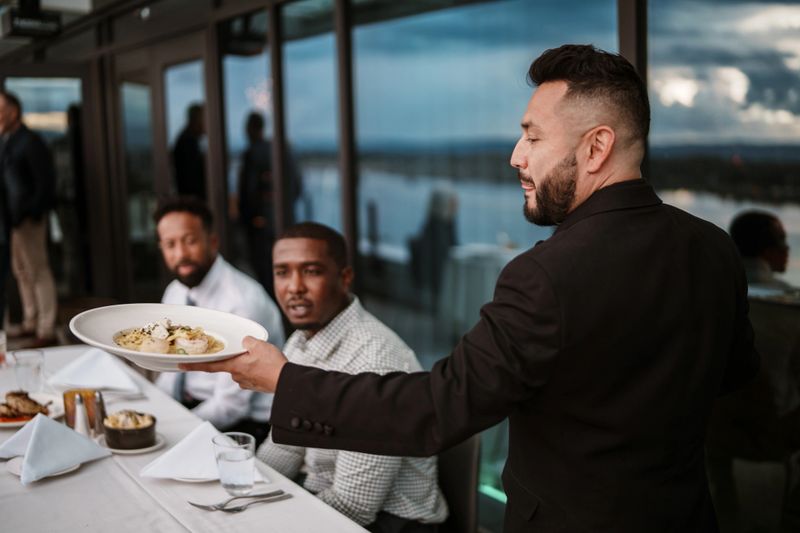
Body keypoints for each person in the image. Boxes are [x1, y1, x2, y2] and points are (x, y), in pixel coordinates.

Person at [184, 45, 758, 532]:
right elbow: (731, 381)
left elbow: (434, 410)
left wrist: (283, 380)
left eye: (532, 136)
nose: (517, 157)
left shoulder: (545, 276)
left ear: (596, 148)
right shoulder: (715, 248)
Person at [255, 222, 447, 531]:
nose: (294, 287)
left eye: (311, 271)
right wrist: (247, 487)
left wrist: (264, 521)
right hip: (320, 495)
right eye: (282, 272)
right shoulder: (300, 342)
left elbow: (354, 506)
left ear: (344, 278)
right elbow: (286, 446)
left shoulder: (376, 360)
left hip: (392, 522)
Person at [153, 197, 284, 444]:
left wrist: (171, 432)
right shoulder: (175, 291)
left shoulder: (242, 303)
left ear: (212, 241)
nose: (180, 254)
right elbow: (170, 373)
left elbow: (232, 405)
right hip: (191, 408)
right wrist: (154, 414)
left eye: (190, 241)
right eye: (170, 244)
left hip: (244, 427)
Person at [0, 90, 58, 347]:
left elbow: (45, 183)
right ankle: (30, 322)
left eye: (1, 107)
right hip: (11, 221)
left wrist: (31, 213)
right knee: (21, 272)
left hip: (29, 221)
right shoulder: (7, 140)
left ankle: (46, 328)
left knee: (38, 271)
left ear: (14, 110)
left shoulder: (31, 141)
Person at [237, 111, 303, 297]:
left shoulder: (253, 153)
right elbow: (297, 188)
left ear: (250, 129)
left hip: (259, 226)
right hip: (285, 223)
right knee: (284, 269)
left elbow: (248, 192)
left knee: (265, 273)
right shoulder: (284, 150)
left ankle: (273, 311)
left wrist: (247, 219)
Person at [729, 210, 795, 291]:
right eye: (782, 239)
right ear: (768, 250)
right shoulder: (785, 293)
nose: (787, 248)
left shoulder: (720, 283)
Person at [171, 103, 206, 200]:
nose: (207, 124)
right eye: (204, 119)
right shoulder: (188, 141)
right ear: (196, 120)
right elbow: (192, 180)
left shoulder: (188, 139)